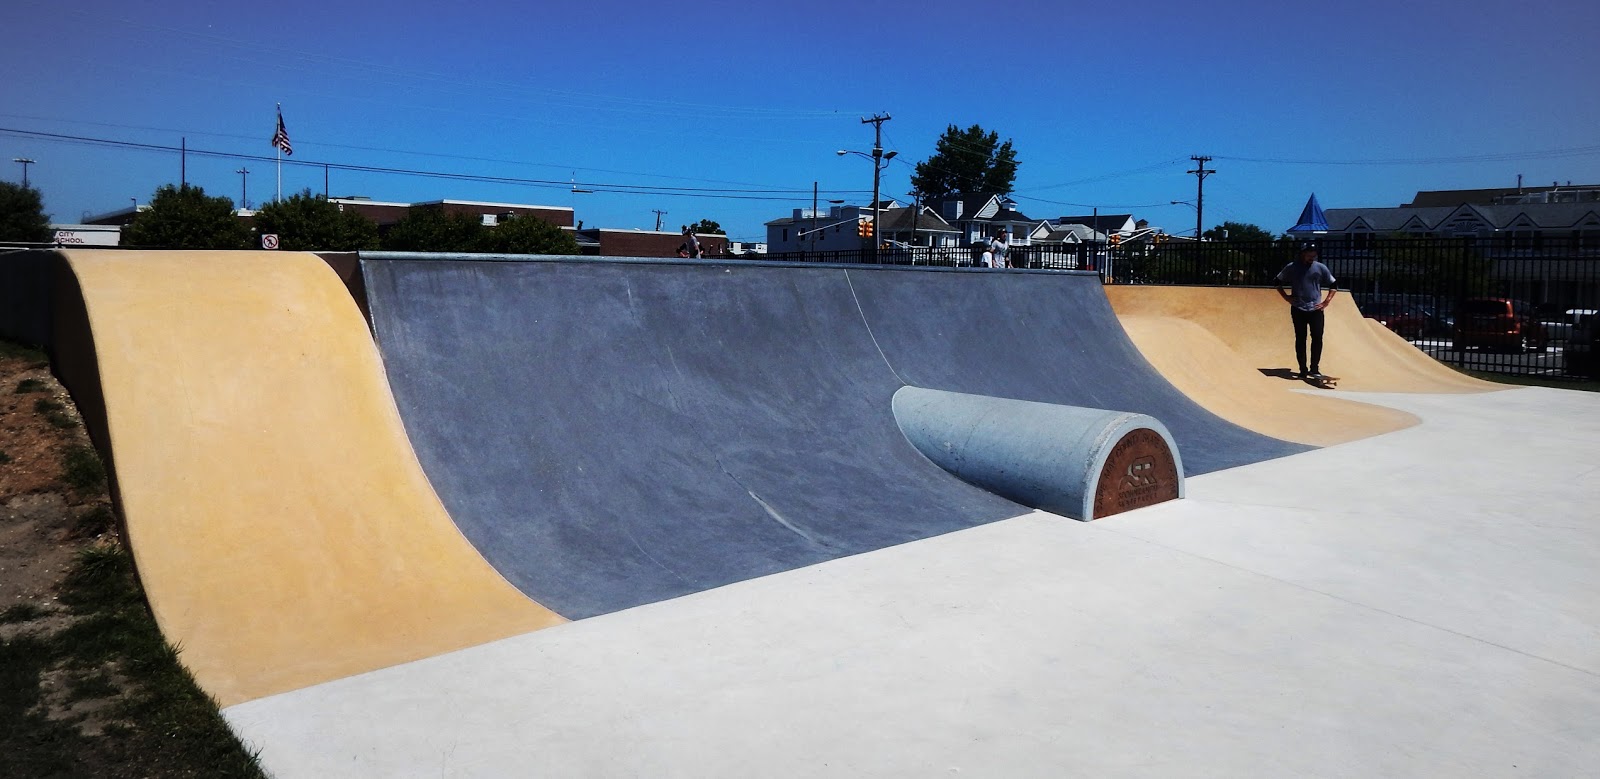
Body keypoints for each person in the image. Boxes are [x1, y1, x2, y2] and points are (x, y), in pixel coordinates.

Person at [1274, 243, 1338, 380]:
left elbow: (1334, 284)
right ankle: (1303, 369)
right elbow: (1276, 281)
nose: (1312, 257)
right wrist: (1286, 297)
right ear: (1303, 253)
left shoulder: (1320, 267)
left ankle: (1314, 368)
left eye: (1314, 255)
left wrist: (1326, 301)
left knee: (1317, 336)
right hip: (1298, 308)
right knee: (1301, 338)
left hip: (1315, 309)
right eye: (1310, 254)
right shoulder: (1292, 267)